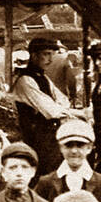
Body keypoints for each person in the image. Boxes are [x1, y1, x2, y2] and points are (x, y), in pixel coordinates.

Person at [34, 118, 101, 202]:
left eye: (80, 145)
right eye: (69, 145)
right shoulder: (46, 183)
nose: (74, 151)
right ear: (61, 147)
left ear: (89, 148)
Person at [12, 36, 74, 176]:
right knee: (44, 174)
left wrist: (60, 108)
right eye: (46, 54)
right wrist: (67, 111)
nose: (50, 59)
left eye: (52, 55)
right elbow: (51, 111)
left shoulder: (42, 77)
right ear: (34, 55)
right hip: (35, 137)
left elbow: (63, 99)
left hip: (49, 136)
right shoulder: (25, 80)